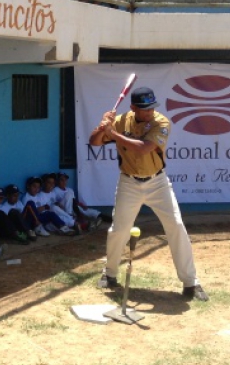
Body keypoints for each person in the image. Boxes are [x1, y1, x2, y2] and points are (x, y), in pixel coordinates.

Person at [88, 86, 208, 301]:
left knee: (176, 225)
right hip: (129, 182)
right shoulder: (121, 120)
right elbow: (94, 142)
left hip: (157, 182)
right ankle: (110, 273)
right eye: (144, 109)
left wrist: (112, 134)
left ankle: (191, 283)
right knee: (119, 230)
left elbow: (144, 148)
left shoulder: (161, 122)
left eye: (151, 107)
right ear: (133, 107)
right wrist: (102, 126)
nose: (149, 112)